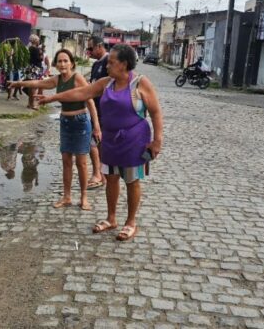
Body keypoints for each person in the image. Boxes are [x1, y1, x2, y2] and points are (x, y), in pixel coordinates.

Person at [36, 44, 164, 241]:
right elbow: (81, 93)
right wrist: (52, 98)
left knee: (131, 181)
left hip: (134, 140)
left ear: (123, 64)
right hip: (110, 140)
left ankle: (130, 222)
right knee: (111, 178)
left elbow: (155, 112)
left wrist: (157, 141)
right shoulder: (106, 83)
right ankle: (111, 218)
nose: (107, 66)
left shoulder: (140, 83)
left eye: (111, 62)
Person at [9, 49, 101, 210]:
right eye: (59, 61)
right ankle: (66, 197)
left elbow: (90, 101)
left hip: (80, 123)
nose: (63, 64)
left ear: (72, 63)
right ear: (56, 64)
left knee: (81, 163)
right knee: (66, 162)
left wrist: (97, 127)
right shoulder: (57, 80)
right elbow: (38, 83)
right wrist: (18, 83)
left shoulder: (77, 78)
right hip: (65, 122)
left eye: (66, 61)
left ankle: (84, 197)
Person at [86, 36, 108, 190]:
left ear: (100, 46)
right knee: (96, 143)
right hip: (95, 110)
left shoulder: (108, 63)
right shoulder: (95, 65)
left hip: (105, 112)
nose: (89, 52)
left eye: (91, 48)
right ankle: (101, 174)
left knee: (94, 143)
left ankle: (98, 174)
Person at [26, 34, 44, 109]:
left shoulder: (29, 48)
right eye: (38, 40)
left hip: (30, 67)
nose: (38, 41)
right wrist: (41, 54)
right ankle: (32, 104)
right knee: (34, 87)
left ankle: (29, 103)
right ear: (35, 40)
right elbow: (40, 59)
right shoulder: (36, 49)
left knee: (31, 86)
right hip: (36, 68)